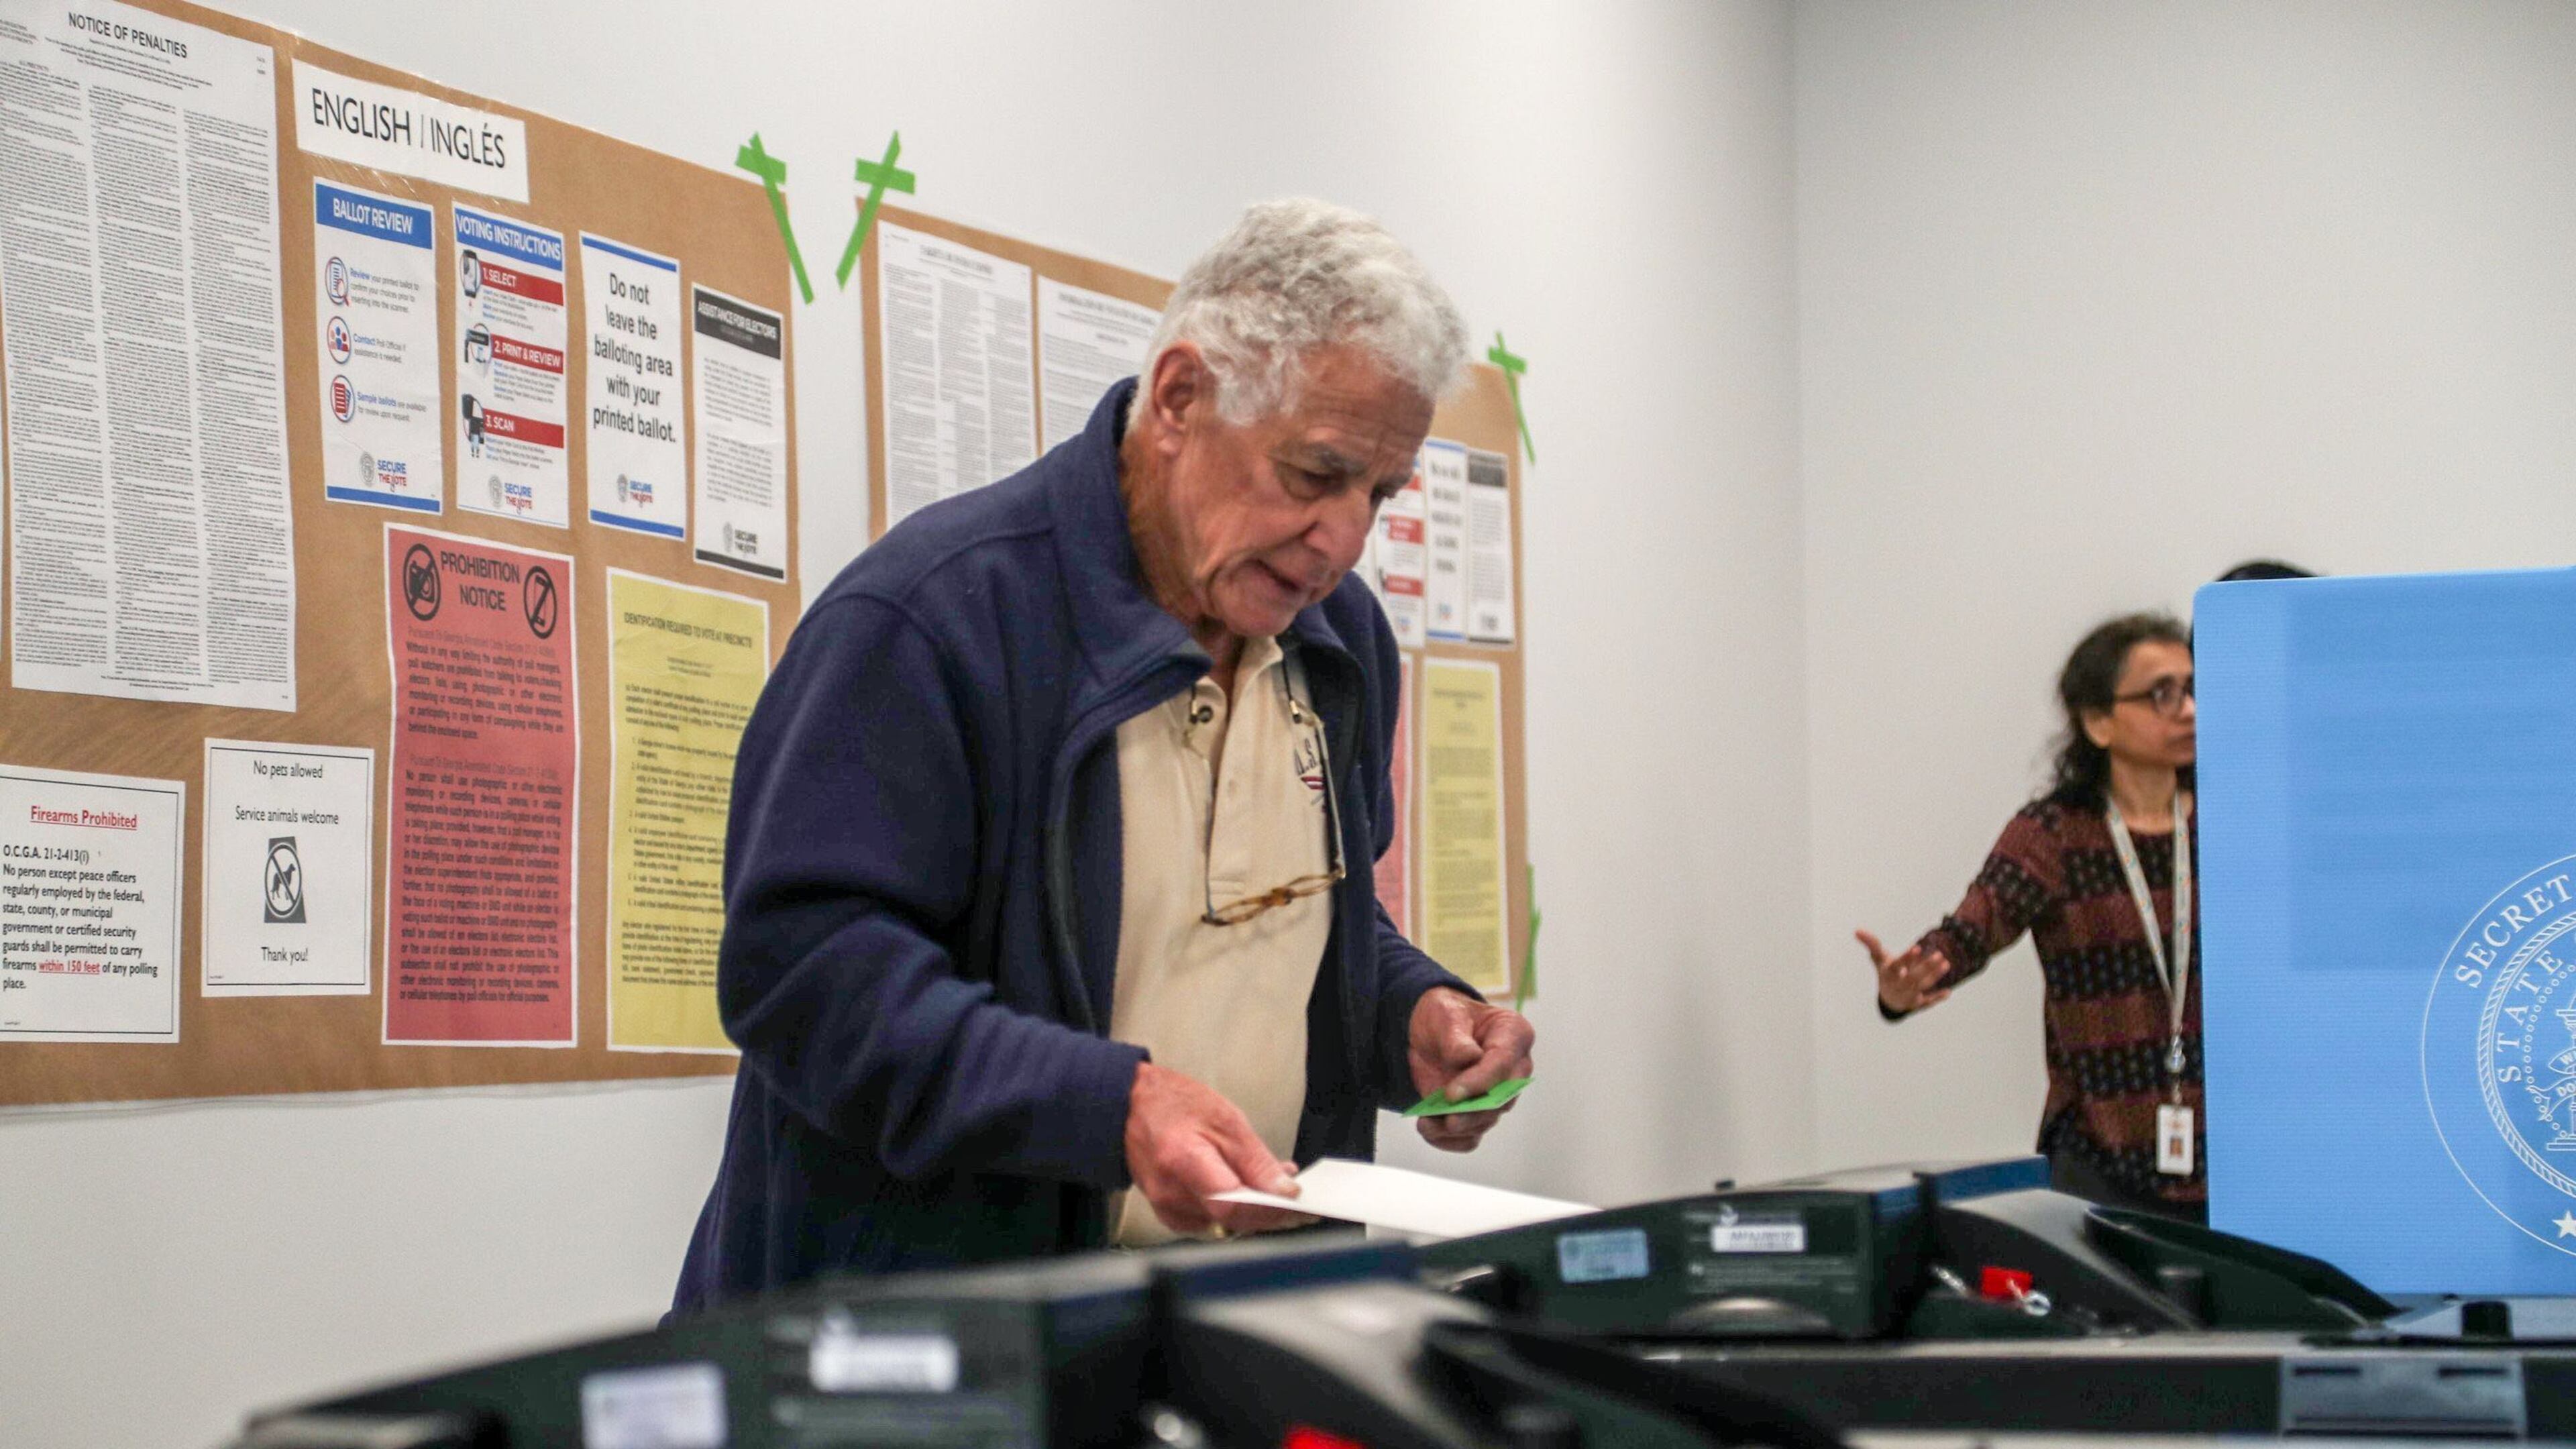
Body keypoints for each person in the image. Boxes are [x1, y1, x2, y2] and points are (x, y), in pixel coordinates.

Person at [671, 200, 1538, 1313]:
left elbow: (1309, 924)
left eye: (1380, 493)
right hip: (940, 1357)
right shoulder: (935, 617)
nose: (1346, 540)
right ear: (1180, 399)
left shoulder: (1342, 644)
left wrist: (1411, 1017)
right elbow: (807, 976)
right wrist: (1110, 1107)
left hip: (1241, 1328)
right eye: (1316, 475)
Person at [1855, 613, 2206, 1221]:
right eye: (2161, 694)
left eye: (2194, 688)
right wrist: (1907, 986)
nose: (2189, 709)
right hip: (2098, 1160)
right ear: (2098, 722)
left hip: (2234, 1158)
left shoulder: (2237, 818)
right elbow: (1973, 927)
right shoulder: (2055, 834)